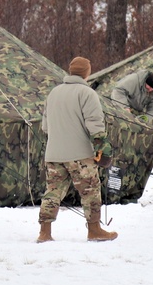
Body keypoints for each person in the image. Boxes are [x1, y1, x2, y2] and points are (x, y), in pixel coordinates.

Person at [37, 56, 117, 243]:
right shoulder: (87, 93)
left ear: (70, 71)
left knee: (52, 192)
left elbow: (45, 127)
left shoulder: (54, 93)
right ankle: (95, 230)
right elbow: (95, 126)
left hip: (54, 154)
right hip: (80, 155)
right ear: (87, 72)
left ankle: (44, 232)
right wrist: (103, 150)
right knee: (90, 191)